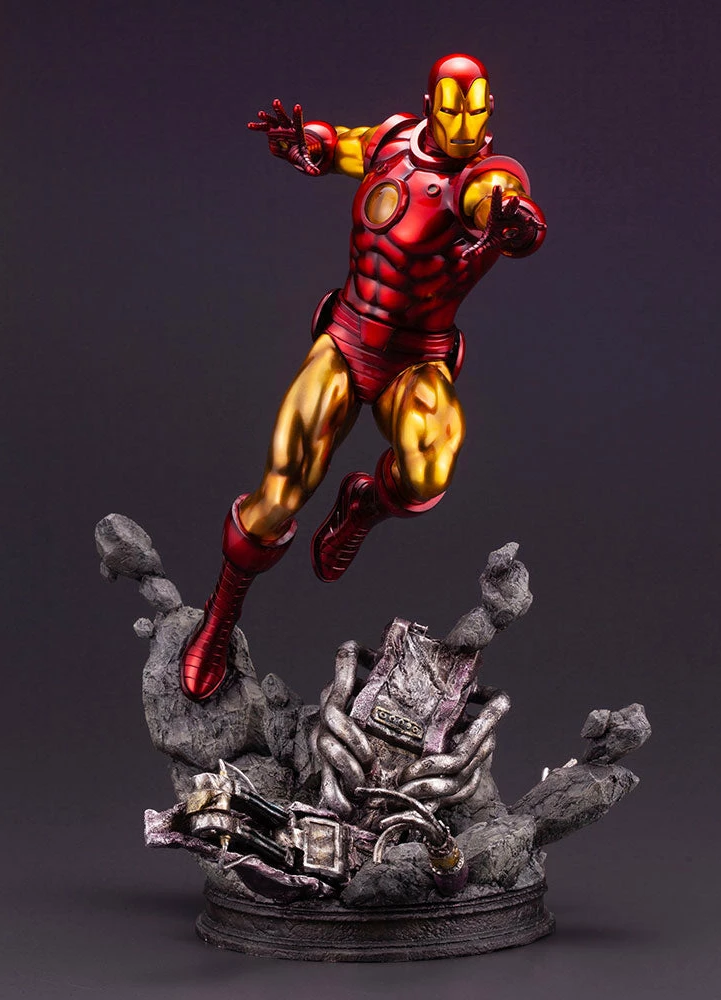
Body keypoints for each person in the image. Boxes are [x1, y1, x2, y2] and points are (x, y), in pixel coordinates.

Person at [181, 53, 546, 701]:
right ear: (431, 105)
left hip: (416, 356)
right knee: (279, 490)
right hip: (349, 338)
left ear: (489, 109)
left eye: (474, 108)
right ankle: (219, 618)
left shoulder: (487, 179)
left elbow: (501, 205)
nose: (462, 121)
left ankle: (363, 507)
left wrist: (514, 226)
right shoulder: (394, 139)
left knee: (430, 468)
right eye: (451, 106)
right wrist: (309, 143)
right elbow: (344, 146)